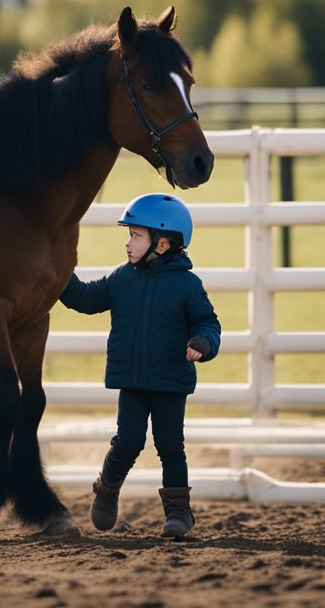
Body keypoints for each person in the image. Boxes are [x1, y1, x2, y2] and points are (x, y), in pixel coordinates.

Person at [57, 193, 221, 538]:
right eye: (129, 235)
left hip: (170, 381)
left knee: (170, 446)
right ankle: (106, 489)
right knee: (128, 442)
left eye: (135, 235)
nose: (128, 243)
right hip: (131, 380)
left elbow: (207, 323)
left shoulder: (188, 286)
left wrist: (202, 344)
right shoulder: (122, 278)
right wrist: (60, 274)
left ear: (162, 244)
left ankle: (179, 513)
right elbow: (87, 299)